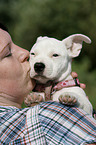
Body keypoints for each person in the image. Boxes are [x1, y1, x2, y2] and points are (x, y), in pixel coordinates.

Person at [0, 23, 96, 145]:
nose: (26, 53)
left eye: (54, 55)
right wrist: (74, 112)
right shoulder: (46, 115)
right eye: (8, 53)